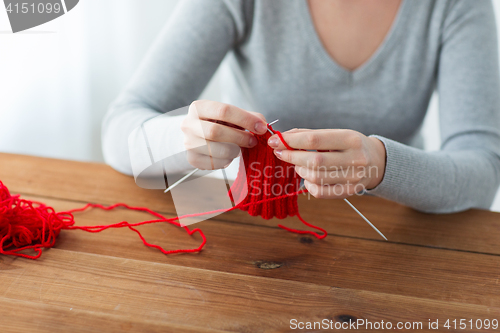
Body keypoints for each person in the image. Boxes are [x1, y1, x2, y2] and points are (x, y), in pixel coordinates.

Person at [102, 0, 500, 213]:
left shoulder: (456, 5)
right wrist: (182, 138)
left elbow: (482, 171)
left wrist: (381, 165)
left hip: (400, 238)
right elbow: (121, 128)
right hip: (261, 231)